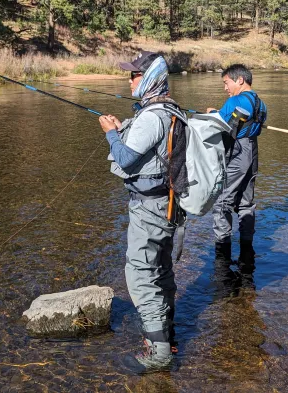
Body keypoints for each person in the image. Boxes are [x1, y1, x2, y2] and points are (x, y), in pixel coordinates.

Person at [99, 50, 180, 371]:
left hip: (150, 208)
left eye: (134, 74)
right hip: (170, 204)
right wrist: (121, 132)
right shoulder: (170, 110)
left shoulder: (150, 115)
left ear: (149, 78)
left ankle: (159, 353)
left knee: (140, 273)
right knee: (161, 269)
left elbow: (127, 159)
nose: (130, 79)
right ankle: (168, 332)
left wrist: (109, 133)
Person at [206, 64, 266, 265]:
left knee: (221, 201)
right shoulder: (260, 103)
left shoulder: (235, 101)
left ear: (240, 80)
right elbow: (238, 121)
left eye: (226, 82)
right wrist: (218, 112)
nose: (225, 88)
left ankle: (222, 251)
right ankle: (247, 248)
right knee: (246, 202)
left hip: (237, 152)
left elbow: (219, 127)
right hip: (252, 150)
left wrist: (212, 114)